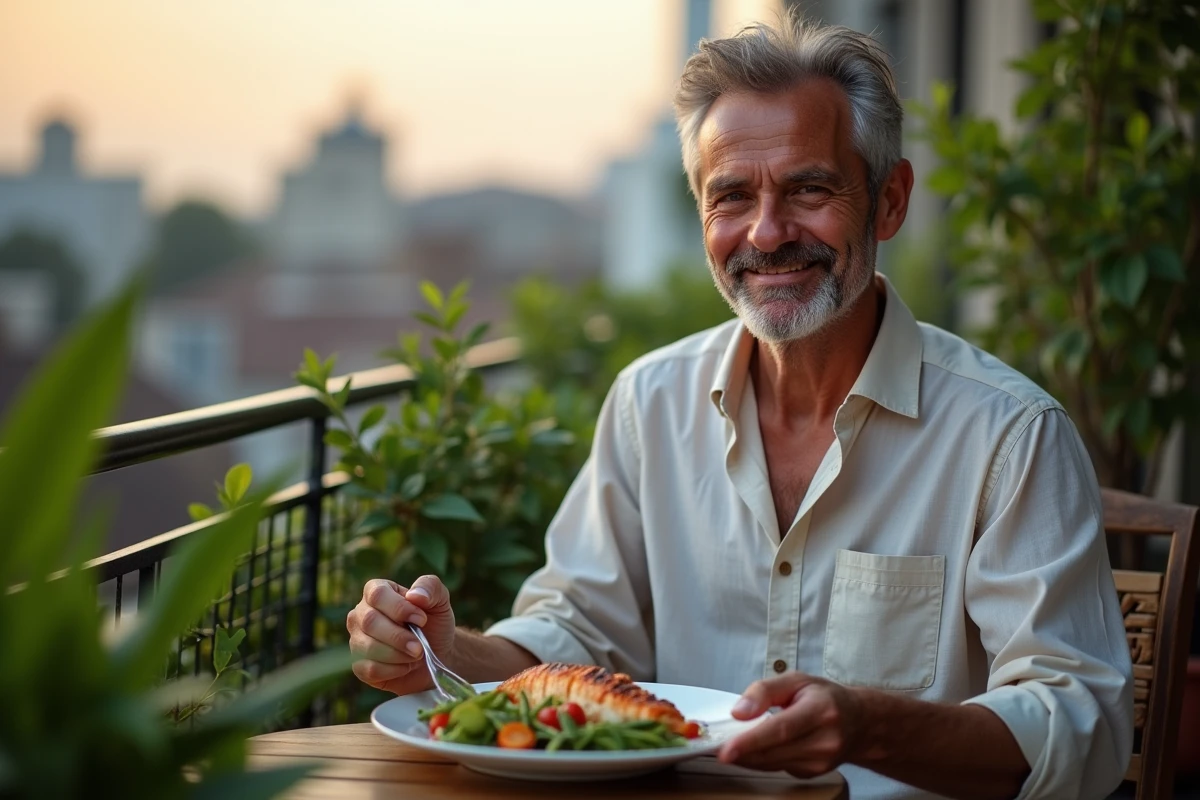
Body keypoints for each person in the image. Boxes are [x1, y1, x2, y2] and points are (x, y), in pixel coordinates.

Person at [346, 13, 1132, 800]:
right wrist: (445, 652)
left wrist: (871, 728)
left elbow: (1082, 723)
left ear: (888, 202)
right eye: (731, 196)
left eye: (809, 188)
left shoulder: (1009, 435)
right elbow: (578, 632)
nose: (766, 231)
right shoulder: (648, 404)